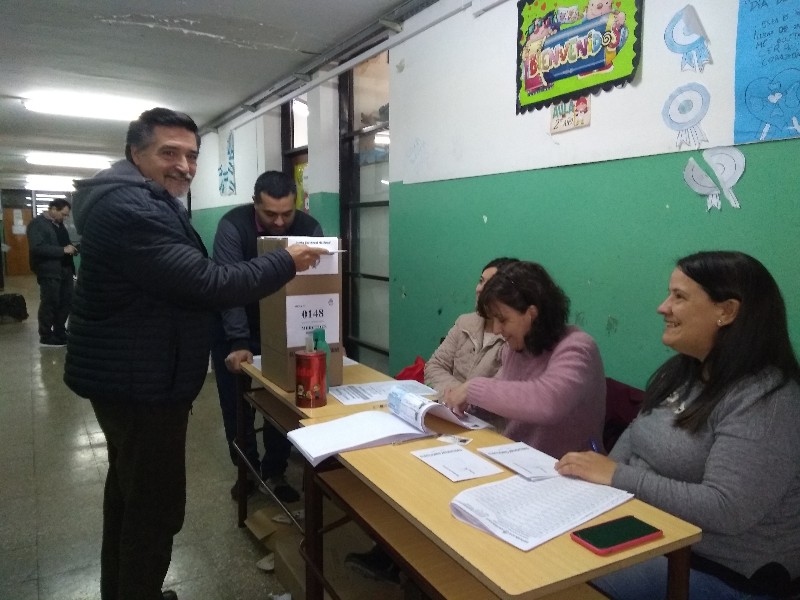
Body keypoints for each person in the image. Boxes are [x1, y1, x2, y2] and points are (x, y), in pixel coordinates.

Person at [63, 108, 327, 600]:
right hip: (140, 383)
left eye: (191, 155)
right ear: (135, 153)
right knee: (154, 509)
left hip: (137, 374)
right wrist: (285, 261)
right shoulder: (132, 209)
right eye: (169, 152)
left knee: (129, 497)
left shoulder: (145, 199)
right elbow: (208, 282)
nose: (184, 165)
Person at [556, 251, 800, 600]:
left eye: (679, 297)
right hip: (644, 532)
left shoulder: (766, 398)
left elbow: (726, 508)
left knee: (558, 578)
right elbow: (632, 442)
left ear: (727, 311)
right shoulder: (679, 372)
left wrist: (617, 477)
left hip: (720, 569)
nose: (663, 307)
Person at [346, 257, 518, 582]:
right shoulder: (466, 323)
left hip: (488, 434)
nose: (479, 289)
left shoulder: (512, 337)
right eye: (480, 281)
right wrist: (456, 393)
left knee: (433, 487)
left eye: (489, 284)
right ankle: (393, 553)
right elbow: (434, 367)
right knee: (401, 469)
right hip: (447, 418)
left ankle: (420, 568)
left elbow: (504, 393)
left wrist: (467, 394)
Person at [211, 170, 323, 503]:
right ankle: (246, 472)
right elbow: (228, 288)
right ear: (254, 204)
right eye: (270, 214)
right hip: (235, 328)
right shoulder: (233, 226)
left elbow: (318, 286)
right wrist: (238, 342)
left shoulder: (309, 228)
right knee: (237, 407)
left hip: (286, 329)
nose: (279, 222)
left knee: (282, 405)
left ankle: (276, 471)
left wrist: (325, 338)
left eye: (287, 213)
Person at [443, 260, 606, 460]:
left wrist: (471, 390)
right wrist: (466, 403)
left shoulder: (578, 347)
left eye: (503, 320)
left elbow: (548, 403)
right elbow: (507, 393)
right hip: (518, 458)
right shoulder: (515, 348)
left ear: (531, 314)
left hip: (565, 468)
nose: (497, 329)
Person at [26, 198, 78, 346]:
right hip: (49, 270)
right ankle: (46, 335)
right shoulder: (37, 224)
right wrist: (63, 250)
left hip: (65, 269)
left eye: (67, 215)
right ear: (53, 209)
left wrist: (71, 248)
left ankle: (60, 331)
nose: (65, 217)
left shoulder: (59, 225)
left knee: (66, 301)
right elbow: (37, 248)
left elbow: (63, 243)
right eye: (63, 214)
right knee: (50, 302)